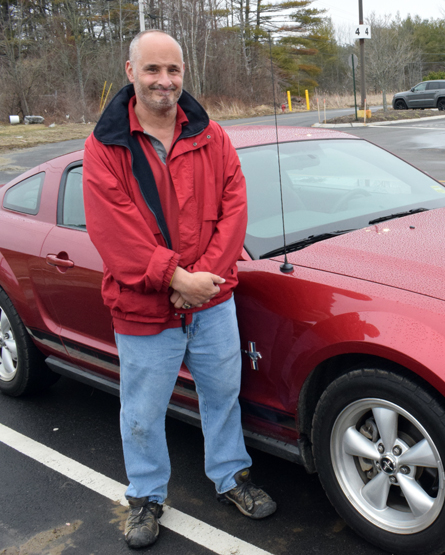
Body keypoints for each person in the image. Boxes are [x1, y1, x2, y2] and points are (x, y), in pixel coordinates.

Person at [83, 30, 275, 549]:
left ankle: (231, 476)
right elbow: (113, 229)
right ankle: (145, 496)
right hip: (145, 306)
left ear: (183, 74)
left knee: (223, 397)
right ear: (130, 72)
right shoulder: (106, 145)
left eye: (173, 71)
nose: (164, 81)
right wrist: (175, 279)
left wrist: (203, 279)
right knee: (142, 411)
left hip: (212, 300)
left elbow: (234, 207)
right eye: (153, 70)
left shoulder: (212, 135)